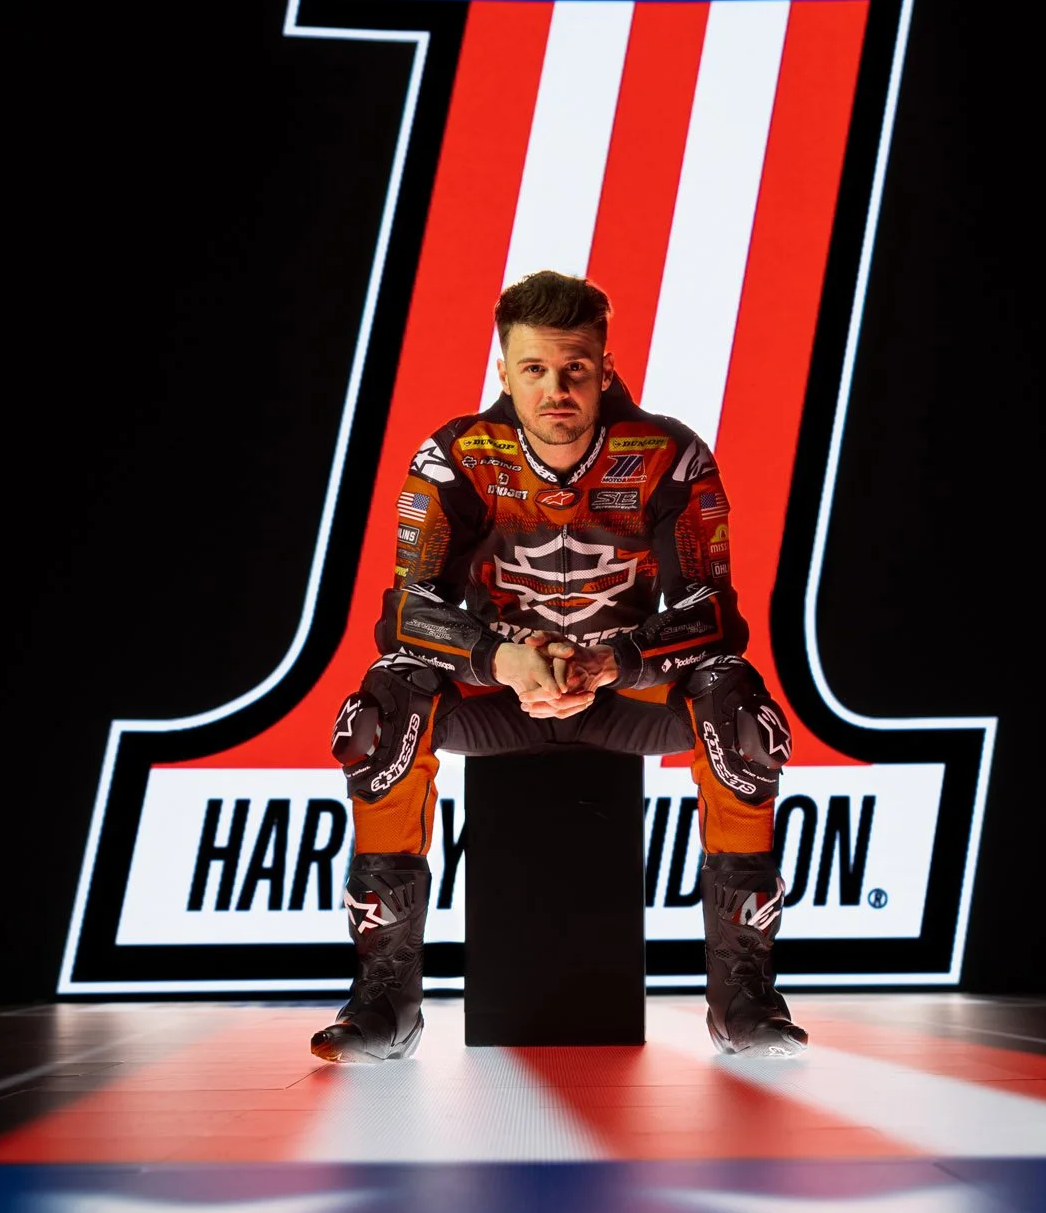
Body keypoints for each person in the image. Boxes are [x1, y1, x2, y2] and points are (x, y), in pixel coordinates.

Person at [311, 269, 807, 1065]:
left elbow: (715, 613)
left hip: (622, 694)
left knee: (739, 714)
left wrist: (616, 659)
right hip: (502, 696)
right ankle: (383, 1002)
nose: (556, 390)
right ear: (503, 370)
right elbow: (403, 611)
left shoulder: (669, 455)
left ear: (605, 368)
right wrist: (500, 656)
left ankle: (743, 1000)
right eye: (534, 368)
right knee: (383, 710)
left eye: (574, 368)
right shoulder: (455, 456)